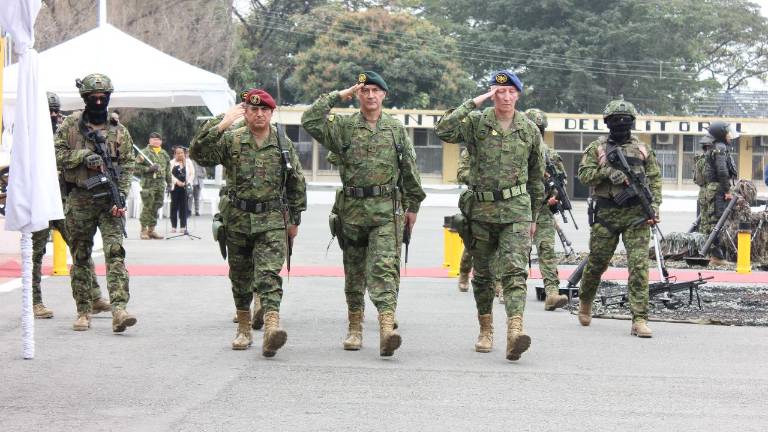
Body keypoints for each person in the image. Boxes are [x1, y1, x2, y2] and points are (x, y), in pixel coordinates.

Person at [302, 71, 425, 357]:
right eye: (364, 90)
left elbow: (409, 171)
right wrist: (339, 95)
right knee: (354, 272)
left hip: (386, 211)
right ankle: (355, 327)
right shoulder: (343, 127)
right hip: (353, 212)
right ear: (358, 95)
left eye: (375, 91)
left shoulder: (395, 130)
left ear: (384, 95)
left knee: (384, 268)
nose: (370, 95)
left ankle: (386, 329)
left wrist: (413, 207)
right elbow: (309, 120)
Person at [435, 70, 544, 361]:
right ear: (492, 95)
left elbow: (536, 178)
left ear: (518, 95)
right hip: (481, 210)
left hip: (517, 210)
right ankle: (486, 329)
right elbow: (444, 129)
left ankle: (515, 331)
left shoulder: (529, 130)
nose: (505, 97)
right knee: (482, 275)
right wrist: (474, 102)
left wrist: (533, 216)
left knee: (515, 271)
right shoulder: (476, 123)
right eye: (499, 92)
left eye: (510, 92)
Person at [190, 89, 306, 357]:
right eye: (253, 110)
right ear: (246, 112)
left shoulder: (282, 143)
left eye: (264, 110)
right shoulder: (232, 139)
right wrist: (222, 123)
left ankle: (271, 328)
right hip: (238, 219)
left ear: (271, 112)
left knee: (268, 275)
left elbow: (296, 182)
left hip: (272, 220)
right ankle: (243, 328)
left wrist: (295, 219)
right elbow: (198, 152)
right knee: (240, 277)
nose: (259, 114)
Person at [54, 73, 137, 333]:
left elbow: (127, 164)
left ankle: (120, 309)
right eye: (94, 98)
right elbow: (56, 154)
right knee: (80, 256)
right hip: (80, 198)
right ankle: (83, 310)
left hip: (109, 201)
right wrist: (82, 156)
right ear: (85, 99)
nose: (99, 102)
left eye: (104, 97)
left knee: (115, 254)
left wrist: (120, 197)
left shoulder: (119, 130)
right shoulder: (70, 125)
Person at [576, 99, 661, 338]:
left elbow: (654, 180)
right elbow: (583, 175)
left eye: (625, 120)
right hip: (606, 214)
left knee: (639, 268)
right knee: (597, 263)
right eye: (616, 120)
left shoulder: (643, 149)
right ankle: (585, 300)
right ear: (608, 123)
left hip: (637, 216)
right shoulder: (598, 148)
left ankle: (640, 319)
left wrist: (654, 208)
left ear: (632, 122)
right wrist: (607, 172)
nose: (621, 124)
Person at [31, 92, 110, 319]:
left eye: (56, 110)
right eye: (49, 111)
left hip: (64, 199)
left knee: (80, 249)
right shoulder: (28, 134)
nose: (54, 115)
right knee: (36, 254)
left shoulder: (66, 129)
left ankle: (94, 297)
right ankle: (35, 302)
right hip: (40, 201)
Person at [524, 108, 569, 311]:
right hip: (519, 209)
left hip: (542, 210)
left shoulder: (550, 155)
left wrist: (555, 197)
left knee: (546, 249)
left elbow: (561, 181)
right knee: (516, 251)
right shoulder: (516, 151)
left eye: (539, 129)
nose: (537, 132)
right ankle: (506, 288)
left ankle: (552, 292)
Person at [137, 132, 172, 239]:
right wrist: (149, 169)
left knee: (156, 206)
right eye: (154, 139)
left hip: (160, 184)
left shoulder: (164, 153)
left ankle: (151, 230)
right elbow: (135, 167)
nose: (156, 141)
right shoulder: (144, 153)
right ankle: (143, 230)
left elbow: (167, 170)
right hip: (149, 184)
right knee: (148, 206)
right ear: (150, 141)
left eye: (158, 139)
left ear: (161, 141)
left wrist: (169, 183)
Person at [169, 146, 194, 233]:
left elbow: (192, 173)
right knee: (174, 207)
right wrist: (177, 181)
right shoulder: (171, 163)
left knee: (184, 207)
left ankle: (183, 226)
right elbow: (169, 174)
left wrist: (188, 181)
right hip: (175, 187)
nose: (180, 154)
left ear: (184, 153)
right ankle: (174, 226)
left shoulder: (188, 162)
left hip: (185, 187)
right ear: (175, 154)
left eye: (181, 153)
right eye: (178, 153)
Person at [693, 134, 714, 232]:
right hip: (712, 193)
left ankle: (703, 242)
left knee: (703, 220)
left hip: (702, 193)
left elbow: (698, 180)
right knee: (712, 220)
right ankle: (710, 243)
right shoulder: (713, 159)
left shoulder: (700, 160)